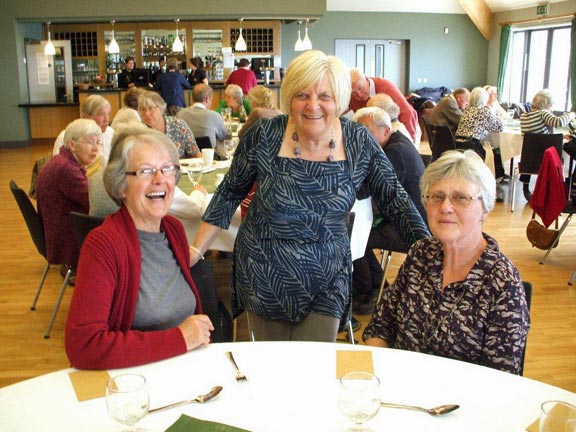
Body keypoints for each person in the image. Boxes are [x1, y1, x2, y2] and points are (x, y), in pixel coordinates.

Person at [190, 50, 429, 342]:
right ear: (289, 95)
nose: (313, 105)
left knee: (315, 366)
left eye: (325, 96)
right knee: (273, 367)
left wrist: (431, 251)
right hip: (266, 272)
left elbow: (395, 199)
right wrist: (198, 249)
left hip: (327, 275)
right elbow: (229, 193)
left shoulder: (358, 141)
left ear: (339, 100)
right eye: (302, 94)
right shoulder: (264, 135)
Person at [363, 150, 530, 375]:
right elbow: (381, 326)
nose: (445, 207)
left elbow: (502, 378)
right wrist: (374, 378)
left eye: (461, 197)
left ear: (485, 209)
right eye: (437, 196)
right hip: (399, 390)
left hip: (460, 404)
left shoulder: (502, 282)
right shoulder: (420, 254)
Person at [65, 123, 214, 370]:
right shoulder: (104, 245)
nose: (159, 180)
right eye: (145, 172)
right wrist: (180, 338)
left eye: (166, 169)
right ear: (121, 185)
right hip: (137, 382)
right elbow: (84, 345)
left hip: (186, 369)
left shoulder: (172, 229)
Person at [351, 107, 427, 314]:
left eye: (366, 130)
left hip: (414, 227)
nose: (360, 136)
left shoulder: (394, 152)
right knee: (359, 234)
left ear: (385, 131)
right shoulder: (395, 144)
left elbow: (373, 191)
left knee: (356, 238)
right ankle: (377, 287)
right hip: (399, 220)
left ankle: (365, 294)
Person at [37, 119, 102, 271]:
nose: (95, 149)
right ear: (72, 145)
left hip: (61, 233)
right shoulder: (66, 169)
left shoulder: (61, 161)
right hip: (68, 241)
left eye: (98, 143)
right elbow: (94, 202)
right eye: (90, 143)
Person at [519, 89, 575, 199]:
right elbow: (558, 122)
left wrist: (561, 136)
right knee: (564, 154)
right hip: (546, 158)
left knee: (532, 150)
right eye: (551, 105)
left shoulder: (524, 116)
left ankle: (526, 187)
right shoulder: (543, 113)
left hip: (529, 159)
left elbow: (538, 135)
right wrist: (571, 115)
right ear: (546, 104)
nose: (552, 108)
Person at [349, 68, 419, 141]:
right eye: (354, 93)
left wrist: (408, 141)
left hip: (405, 126)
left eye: (360, 88)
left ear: (366, 79)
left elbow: (407, 114)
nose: (359, 95)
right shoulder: (351, 97)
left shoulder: (386, 87)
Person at [52, 95, 113, 176]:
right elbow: (59, 171)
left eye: (108, 114)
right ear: (86, 117)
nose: (107, 120)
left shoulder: (110, 132)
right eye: (101, 115)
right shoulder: (66, 136)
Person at [138, 90, 200, 158]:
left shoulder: (178, 125)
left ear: (161, 108)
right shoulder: (141, 132)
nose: (147, 114)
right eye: (143, 109)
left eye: (150, 108)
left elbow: (196, 154)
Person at [176, 83, 232, 159]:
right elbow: (226, 136)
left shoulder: (180, 114)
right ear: (207, 99)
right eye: (211, 100)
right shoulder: (214, 116)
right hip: (209, 159)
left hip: (185, 158)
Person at [454, 87, 503, 160]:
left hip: (457, 143)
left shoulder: (466, 110)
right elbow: (499, 127)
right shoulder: (484, 111)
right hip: (471, 145)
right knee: (493, 154)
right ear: (484, 99)